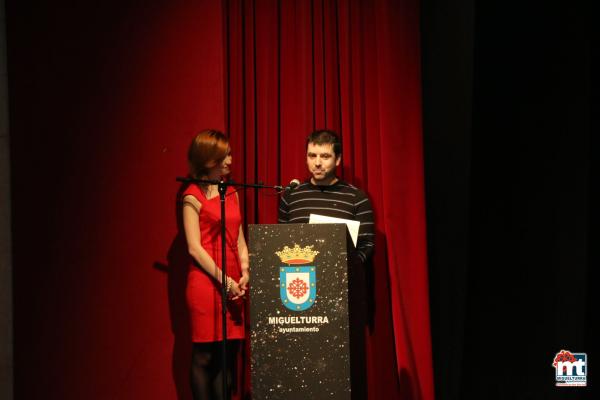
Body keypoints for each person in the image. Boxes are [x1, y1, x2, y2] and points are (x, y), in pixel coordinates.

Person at [278, 129, 374, 399]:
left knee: (336, 377)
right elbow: (281, 246)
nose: (317, 162)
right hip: (298, 302)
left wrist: (345, 267)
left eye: (325, 156)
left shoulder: (356, 198)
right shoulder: (291, 197)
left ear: (338, 159)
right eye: (312, 156)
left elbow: (367, 246)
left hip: (340, 302)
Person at [181, 129, 249, 400]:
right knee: (206, 355)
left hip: (233, 281)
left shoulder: (230, 191)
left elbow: (240, 237)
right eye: (224, 156)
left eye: (230, 154)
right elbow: (194, 248)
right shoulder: (192, 194)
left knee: (227, 354)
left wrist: (245, 272)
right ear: (208, 160)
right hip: (207, 282)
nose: (230, 160)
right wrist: (225, 280)